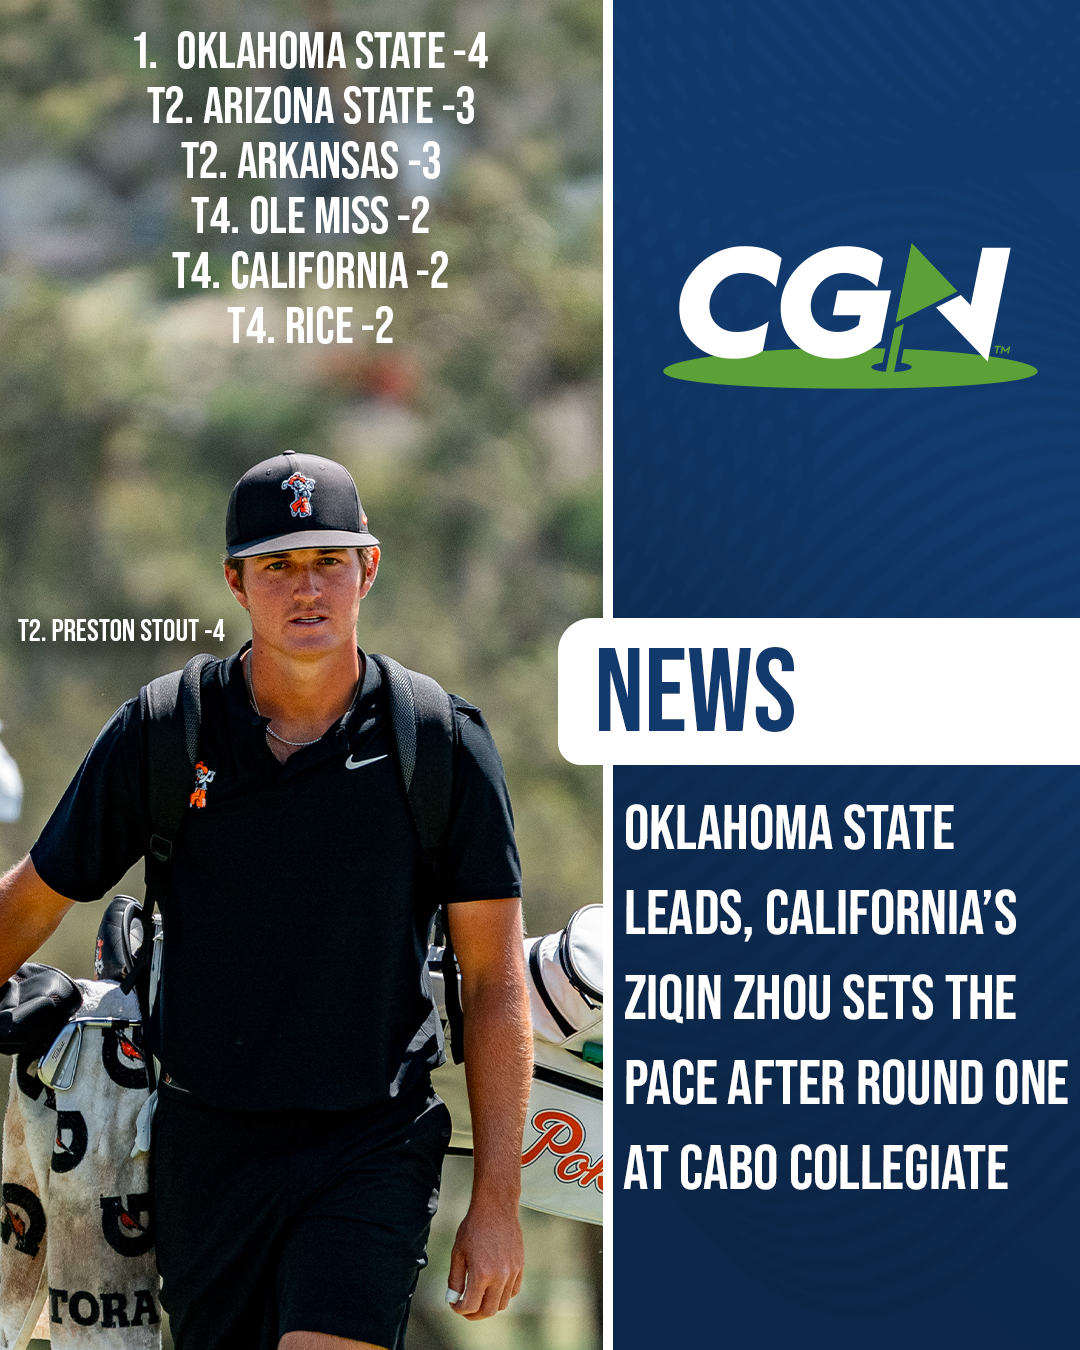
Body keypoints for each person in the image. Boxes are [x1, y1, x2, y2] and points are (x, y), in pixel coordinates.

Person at [0, 450, 533, 1350]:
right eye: (277, 565)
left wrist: (499, 1205)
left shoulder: (440, 743)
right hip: (206, 1148)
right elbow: (33, 901)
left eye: (328, 559)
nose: (307, 588)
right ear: (236, 583)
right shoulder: (166, 732)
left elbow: (495, 984)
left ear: (369, 567)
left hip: (373, 1140)